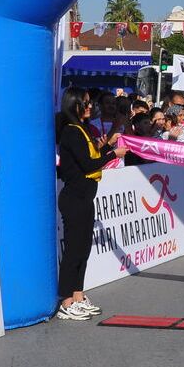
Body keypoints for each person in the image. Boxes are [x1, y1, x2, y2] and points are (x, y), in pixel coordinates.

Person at [56, 87, 127, 321]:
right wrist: (113, 154)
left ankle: (78, 295)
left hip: (85, 197)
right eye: (85, 103)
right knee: (73, 251)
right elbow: (88, 164)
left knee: (83, 249)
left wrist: (106, 147)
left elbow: (91, 156)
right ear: (74, 104)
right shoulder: (71, 131)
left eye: (89, 103)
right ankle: (66, 301)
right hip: (74, 198)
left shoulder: (82, 129)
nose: (89, 107)